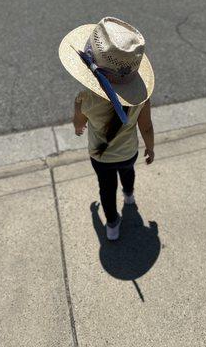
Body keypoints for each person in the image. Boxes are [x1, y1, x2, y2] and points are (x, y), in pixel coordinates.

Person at [59, 16, 155, 241]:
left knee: (106, 188)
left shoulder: (84, 98)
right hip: (128, 151)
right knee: (128, 172)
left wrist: (78, 128)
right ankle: (129, 195)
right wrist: (150, 148)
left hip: (100, 155)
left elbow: (79, 122)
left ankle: (111, 225)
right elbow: (147, 127)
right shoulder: (140, 100)